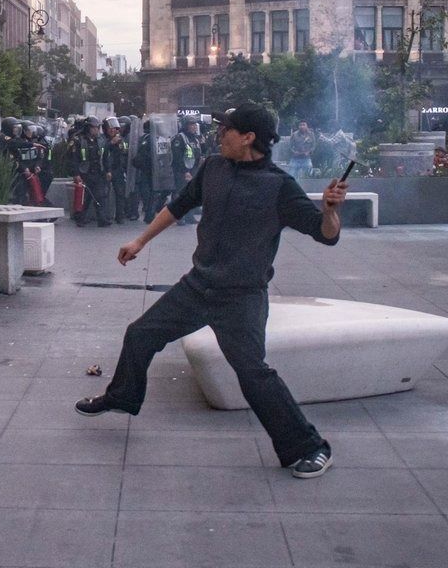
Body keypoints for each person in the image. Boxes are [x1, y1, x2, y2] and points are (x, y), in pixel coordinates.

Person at [76, 102, 348, 479]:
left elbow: (325, 235)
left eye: (227, 130)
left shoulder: (279, 186)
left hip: (241, 296)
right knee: (140, 335)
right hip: (198, 285)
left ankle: (311, 447)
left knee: (253, 375)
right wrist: (140, 241)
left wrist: (331, 210)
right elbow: (178, 206)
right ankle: (122, 396)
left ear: (248, 137)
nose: (219, 134)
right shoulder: (213, 167)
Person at [71, 116, 111, 227]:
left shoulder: (102, 140)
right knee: (85, 198)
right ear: (88, 128)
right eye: (94, 128)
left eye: (98, 128)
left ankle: (102, 219)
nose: (96, 130)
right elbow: (74, 159)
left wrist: (108, 170)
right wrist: (76, 174)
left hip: (98, 172)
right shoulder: (78, 140)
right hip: (85, 173)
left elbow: (105, 157)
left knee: (100, 196)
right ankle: (80, 219)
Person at [170, 115, 205, 225]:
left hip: (193, 170)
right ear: (185, 125)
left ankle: (189, 216)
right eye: (192, 124)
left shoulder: (194, 138)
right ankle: (179, 217)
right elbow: (177, 157)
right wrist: (185, 171)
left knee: (191, 195)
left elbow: (197, 153)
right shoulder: (179, 138)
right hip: (182, 171)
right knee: (181, 194)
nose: (194, 126)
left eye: (195, 124)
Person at [104, 117, 132, 223]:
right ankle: (105, 216)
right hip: (107, 170)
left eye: (115, 129)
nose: (114, 131)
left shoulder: (120, 140)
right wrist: (111, 143)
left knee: (120, 193)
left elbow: (123, 153)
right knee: (104, 194)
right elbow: (104, 154)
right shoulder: (103, 139)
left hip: (118, 169)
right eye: (111, 129)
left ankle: (120, 216)